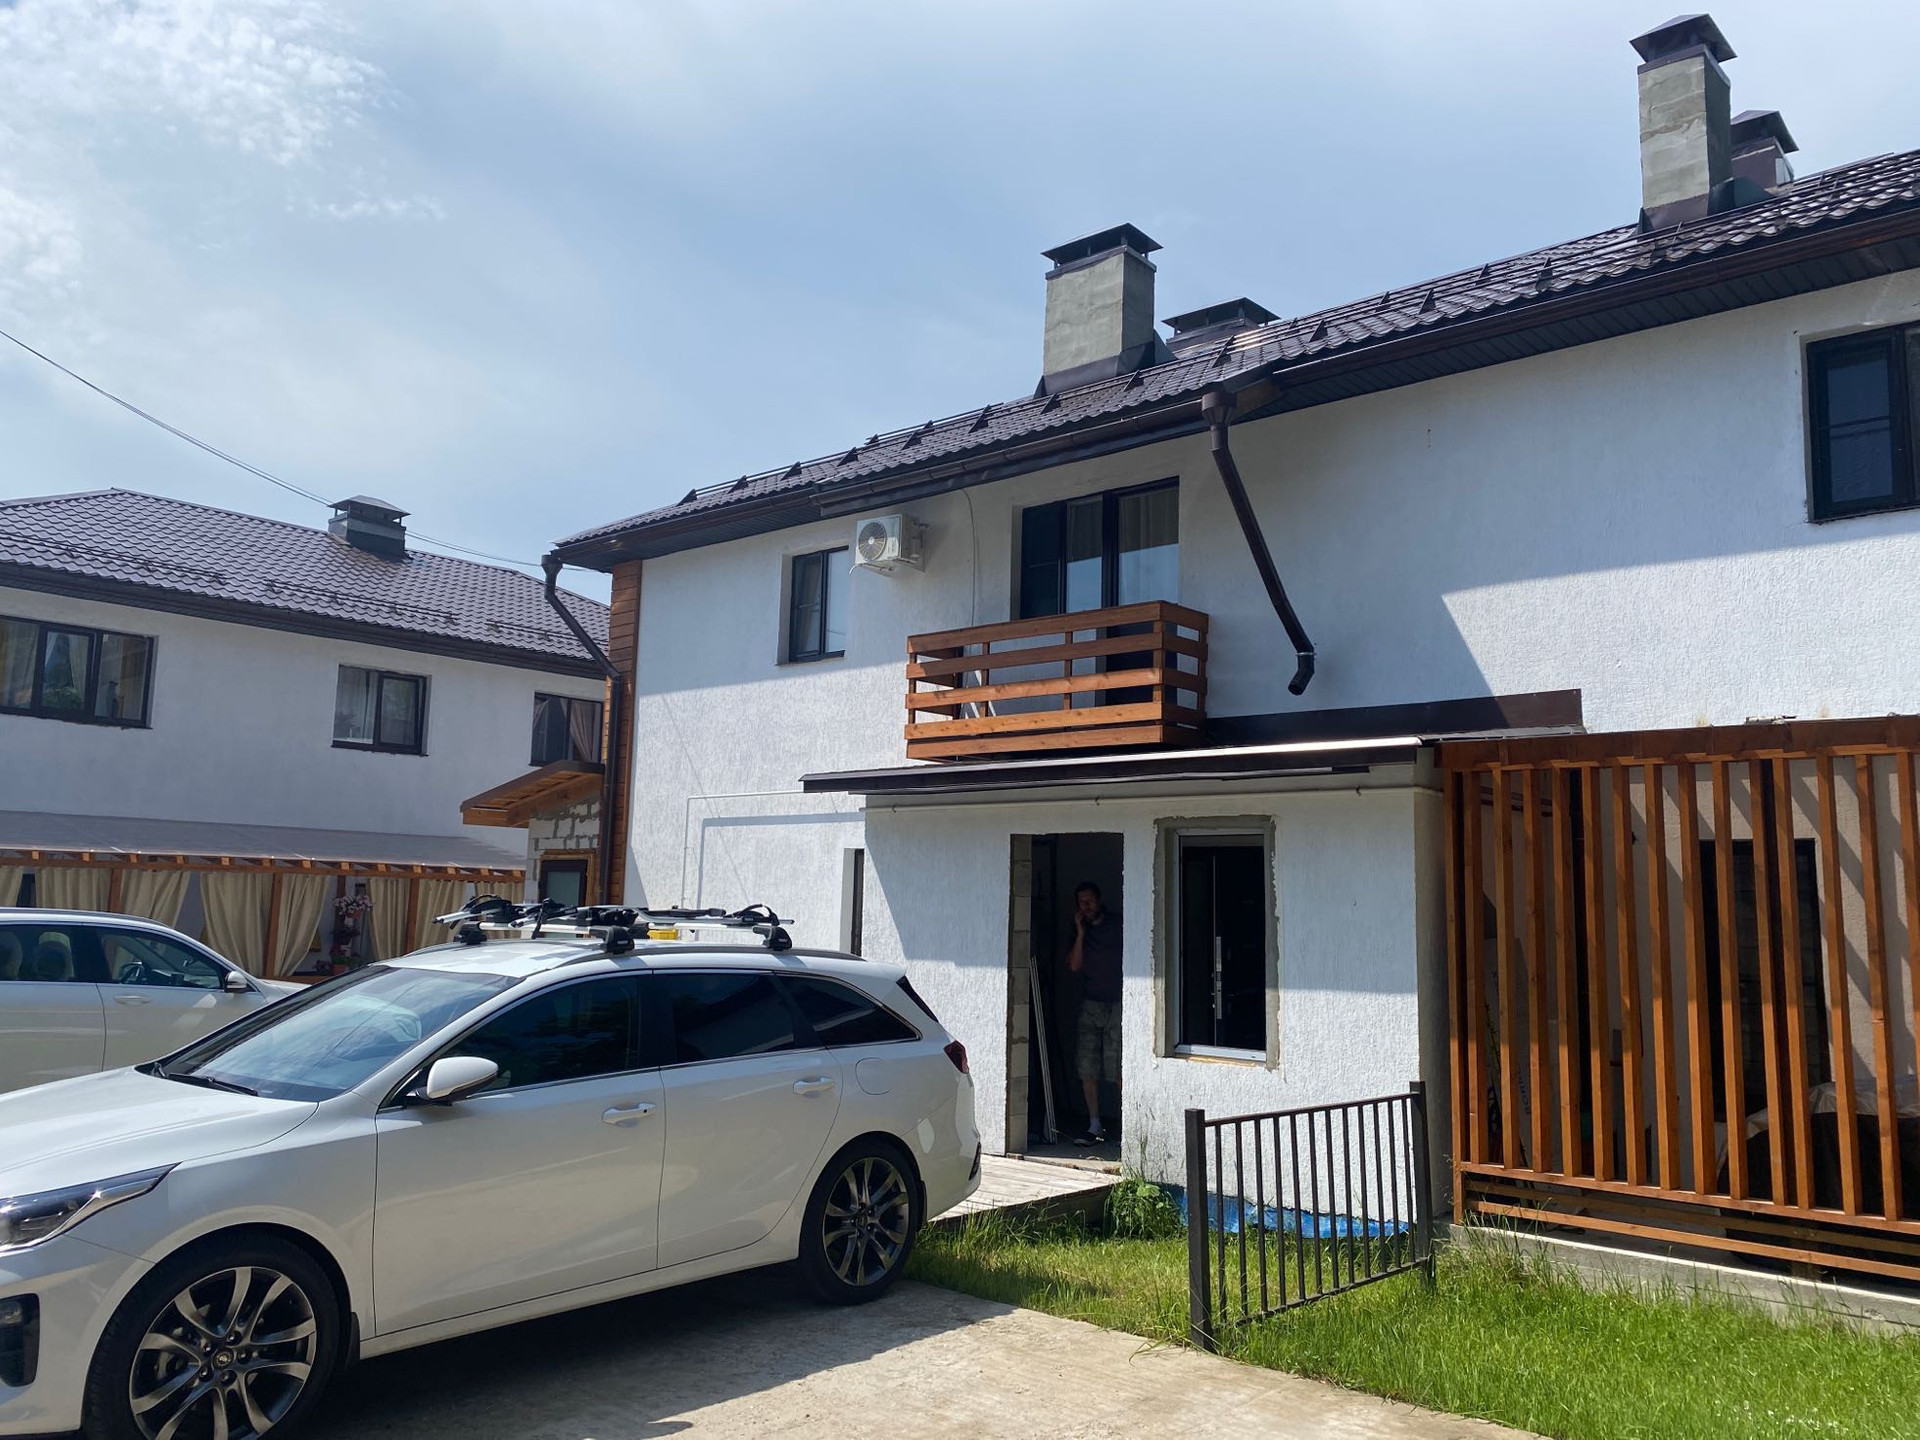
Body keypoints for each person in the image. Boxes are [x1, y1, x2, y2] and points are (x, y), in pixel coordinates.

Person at [1064, 880, 1121, 1147]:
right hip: (1090, 1004)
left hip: (1117, 1003)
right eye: (1081, 902)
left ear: (1099, 900)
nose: (1086, 906)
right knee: (1087, 1066)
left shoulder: (1117, 924)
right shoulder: (1080, 931)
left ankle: (1127, 1125)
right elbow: (1074, 966)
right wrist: (1080, 933)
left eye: (1089, 900)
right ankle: (1094, 1124)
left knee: (1117, 1066)